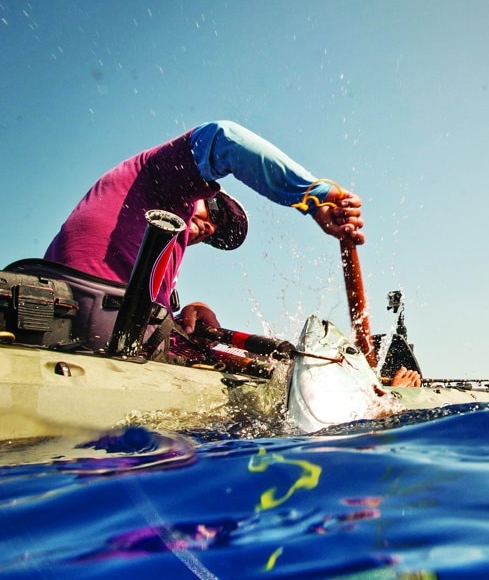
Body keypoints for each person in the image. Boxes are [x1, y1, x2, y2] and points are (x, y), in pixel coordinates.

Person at [46, 120, 420, 383]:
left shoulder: (157, 252)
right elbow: (225, 139)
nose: (211, 228)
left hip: (99, 322)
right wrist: (316, 198)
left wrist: (183, 315)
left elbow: (144, 317)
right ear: (201, 189)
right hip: (79, 307)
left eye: (215, 233)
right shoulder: (161, 179)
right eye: (216, 211)